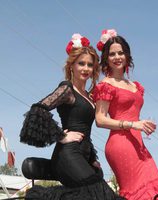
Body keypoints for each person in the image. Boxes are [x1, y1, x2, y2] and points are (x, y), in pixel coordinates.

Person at [20, 33, 124, 200]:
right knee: (96, 192)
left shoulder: (89, 96)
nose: (85, 68)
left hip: (82, 157)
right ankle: (40, 196)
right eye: (81, 63)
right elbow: (37, 110)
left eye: (90, 65)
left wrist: (90, 159)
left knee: (106, 194)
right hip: (67, 156)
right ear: (71, 66)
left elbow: (85, 130)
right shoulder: (67, 89)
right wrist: (61, 136)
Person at [92, 29, 158, 200]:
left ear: (127, 55)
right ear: (106, 58)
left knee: (157, 190)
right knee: (138, 193)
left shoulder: (135, 85)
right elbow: (100, 120)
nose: (117, 57)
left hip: (138, 142)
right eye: (112, 54)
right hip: (120, 144)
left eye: (121, 53)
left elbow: (132, 113)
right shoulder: (105, 84)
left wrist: (143, 124)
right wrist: (132, 124)